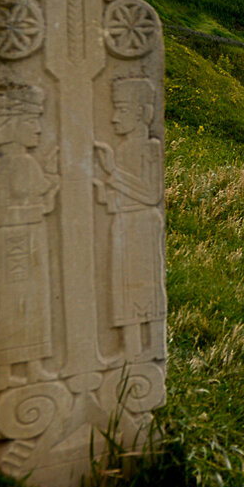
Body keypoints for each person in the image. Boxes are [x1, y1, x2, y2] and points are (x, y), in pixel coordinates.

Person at [0, 83, 58, 387]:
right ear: (12, 124)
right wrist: (35, 207)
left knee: (35, 302)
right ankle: (4, 371)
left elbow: (45, 199)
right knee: (11, 303)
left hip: (33, 240)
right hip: (11, 244)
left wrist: (51, 179)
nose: (39, 128)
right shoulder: (0, 165)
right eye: (31, 121)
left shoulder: (29, 162)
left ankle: (33, 365)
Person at [94, 77, 165, 361]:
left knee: (144, 288)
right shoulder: (123, 148)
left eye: (122, 110)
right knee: (123, 290)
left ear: (141, 113)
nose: (114, 117)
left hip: (142, 224)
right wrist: (102, 192)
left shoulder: (150, 148)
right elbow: (124, 194)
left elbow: (150, 193)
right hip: (123, 222)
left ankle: (151, 349)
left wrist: (112, 172)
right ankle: (131, 350)